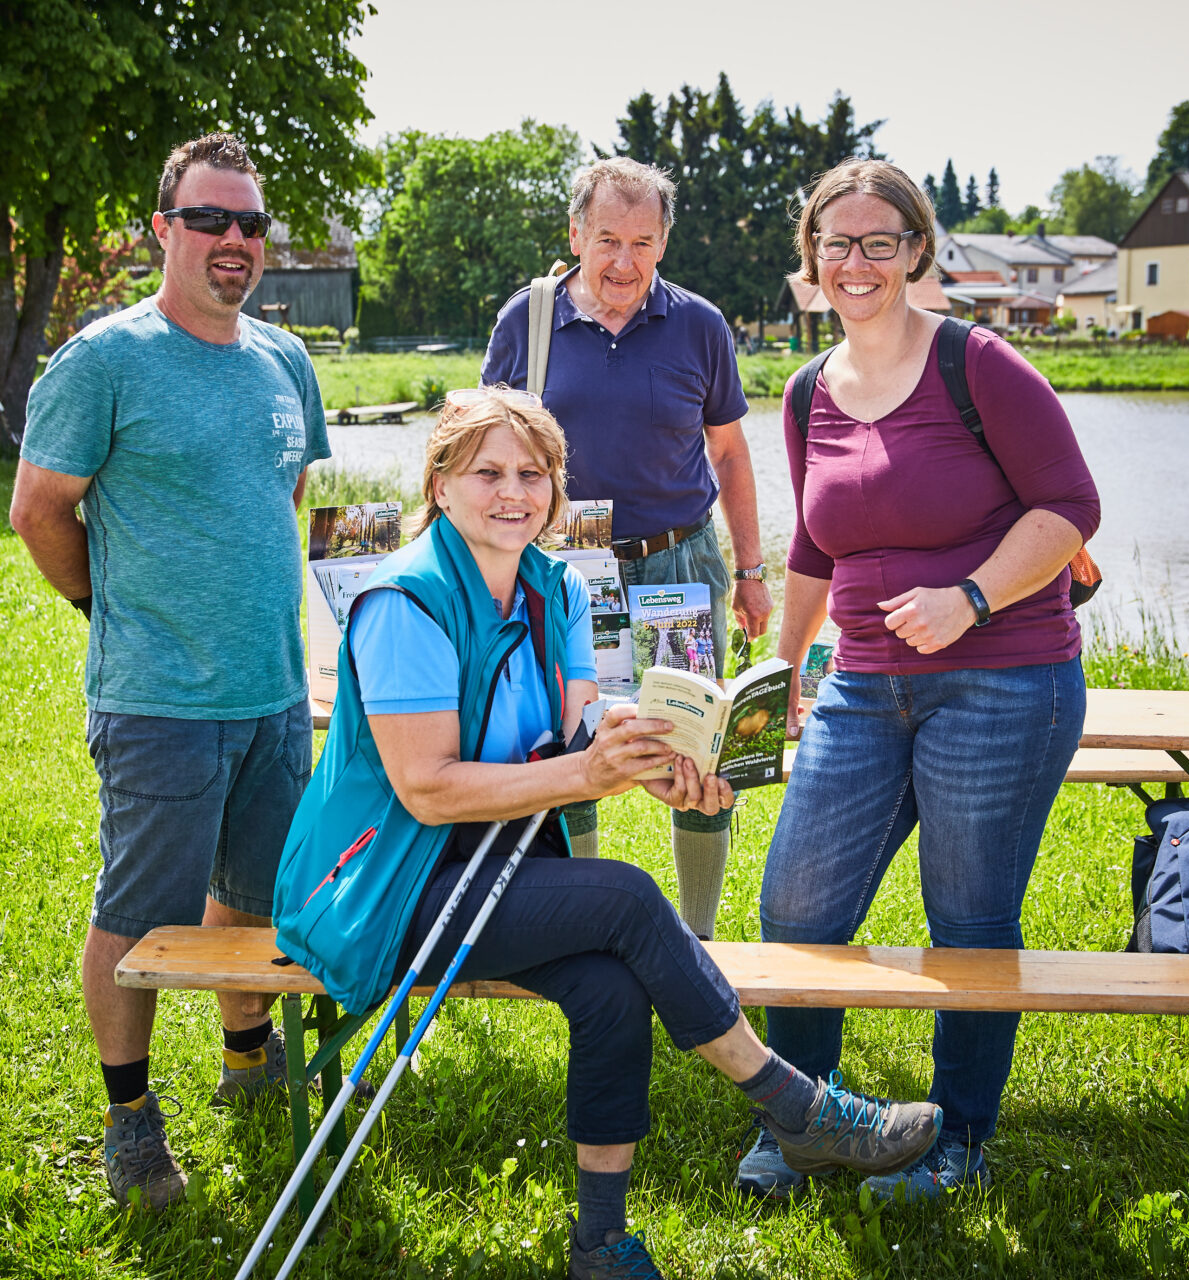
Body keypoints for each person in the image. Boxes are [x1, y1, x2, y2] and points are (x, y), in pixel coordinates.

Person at [276, 388, 942, 1279]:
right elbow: (427, 791)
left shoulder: (555, 587)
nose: (513, 493)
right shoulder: (404, 602)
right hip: (382, 885)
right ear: (439, 485)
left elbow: (578, 734)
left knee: (611, 988)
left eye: (533, 474)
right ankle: (798, 1108)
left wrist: (657, 767)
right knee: (627, 898)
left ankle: (600, 1243)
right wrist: (587, 776)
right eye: (486, 473)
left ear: (556, 489)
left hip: (492, 863)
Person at [734, 160, 1101, 1203]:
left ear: (915, 251)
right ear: (812, 260)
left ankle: (960, 1142)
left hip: (1005, 680)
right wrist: (784, 665)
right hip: (861, 686)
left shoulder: (978, 364)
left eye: (879, 242)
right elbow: (816, 544)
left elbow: (1071, 508)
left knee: (969, 919)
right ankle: (809, 1123)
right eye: (836, 244)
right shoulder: (807, 392)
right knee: (798, 904)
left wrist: (970, 598)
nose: (856, 262)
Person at [9, 133, 328, 1210]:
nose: (234, 239)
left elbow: (281, 495)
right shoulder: (104, 360)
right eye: (209, 218)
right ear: (163, 229)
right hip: (158, 702)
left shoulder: (285, 360)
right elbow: (39, 509)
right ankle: (131, 1118)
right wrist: (105, 609)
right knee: (138, 913)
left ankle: (249, 1057)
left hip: (275, 695)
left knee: (253, 894)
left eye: (250, 223)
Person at [480, 157, 772, 941]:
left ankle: (699, 938)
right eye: (607, 239)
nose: (623, 261)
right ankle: (580, 928)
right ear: (576, 234)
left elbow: (730, 454)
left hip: (680, 568)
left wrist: (751, 571)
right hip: (566, 572)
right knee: (571, 741)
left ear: (664, 245)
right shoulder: (528, 320)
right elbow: (480, 448)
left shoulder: (700, 325)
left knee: (696, 750)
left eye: (642, 243)